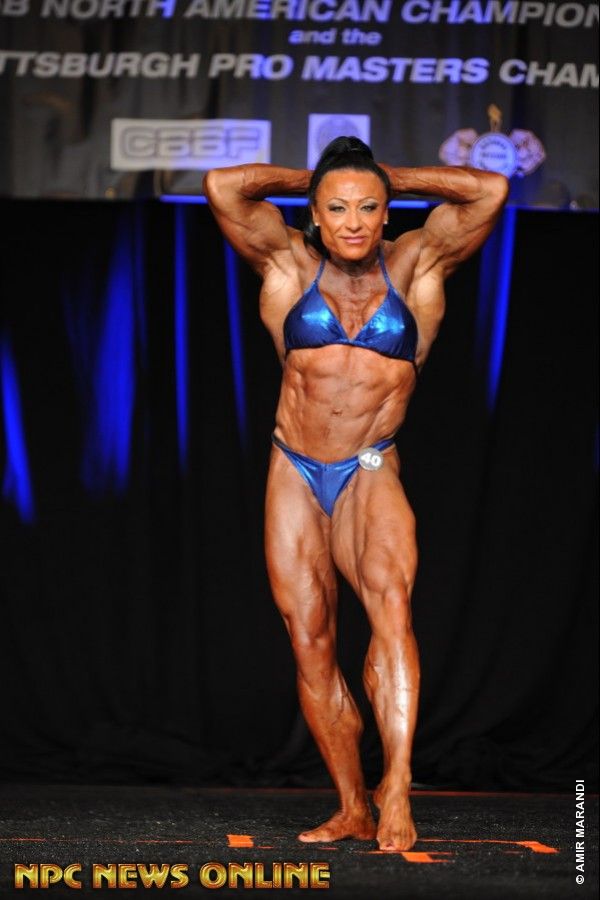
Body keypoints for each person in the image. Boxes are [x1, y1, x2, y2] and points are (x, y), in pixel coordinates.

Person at [203, 137, 508, 852]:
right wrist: (321, 178)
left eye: (369, 207)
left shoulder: (417, 264)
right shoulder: (288, 264)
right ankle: (351, 806)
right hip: (294, 467)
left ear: (387, 212)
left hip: (369, 463)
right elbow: (223, 184)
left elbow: (489, 191)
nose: (353, 221)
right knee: (311, 642)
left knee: (391, 611)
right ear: (313, 213)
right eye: (336, 208)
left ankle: (396, 784)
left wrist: (385, 176)